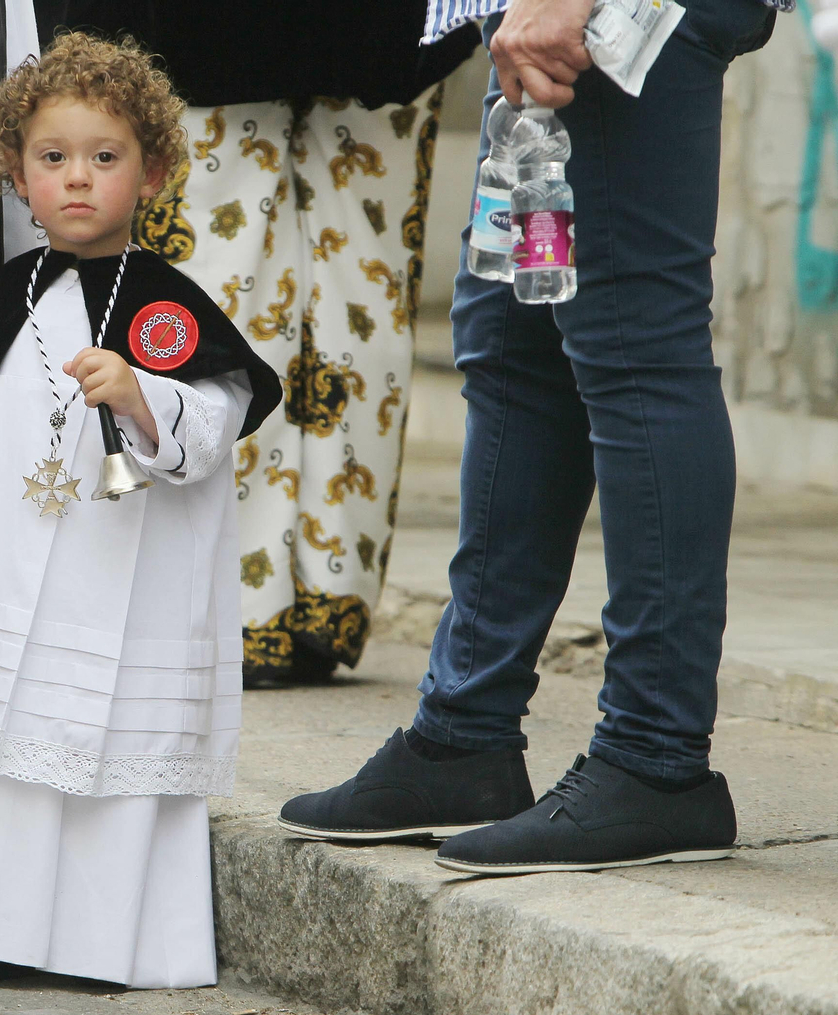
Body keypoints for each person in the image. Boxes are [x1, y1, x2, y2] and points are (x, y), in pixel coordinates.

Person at [280, 0, 787, 874]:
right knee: (516, 344)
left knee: (634, 345)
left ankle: (656, 759)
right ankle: (464, 736)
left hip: (615, 18)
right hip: (542, 23)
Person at [0, 34, 281, 986]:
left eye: (104, 157)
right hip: (3, 566)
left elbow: (215, 420)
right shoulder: (5, 289)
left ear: (154, 170)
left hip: (111, 583)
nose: (76, 181)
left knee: (96, 744)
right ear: (13, 173)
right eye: (52, 159)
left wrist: (139, 394)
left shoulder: (166, 307)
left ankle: (96, 941)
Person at [55, 0, 480, 687]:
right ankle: (310, 602)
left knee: (247, 301)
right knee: (344, 300)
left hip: (216, 37)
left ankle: (241, 610)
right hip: (357, 33)